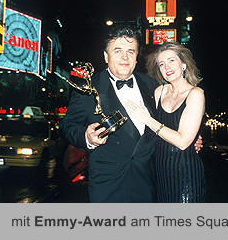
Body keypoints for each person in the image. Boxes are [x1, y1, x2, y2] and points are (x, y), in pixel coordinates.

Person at [60, 25, 203, 203]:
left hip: (150, 183)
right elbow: (67, 126)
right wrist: (87, 138)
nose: (125, 57)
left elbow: (171, 118)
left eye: (130, 51)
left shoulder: (153, 86)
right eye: (118, 51)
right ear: (106, 56)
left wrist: (191, 137)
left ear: (136, 58)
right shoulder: (88, 88)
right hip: (107, 186)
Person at [124, 42, 206, 202]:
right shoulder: (159, 92)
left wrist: (148, 119)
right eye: (161, 64)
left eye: (171, 60)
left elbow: (182, 142)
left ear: (183, 64)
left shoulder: (196, 94)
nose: (166, 67)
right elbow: (150, 133)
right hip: (159, 171)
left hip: (185, 173)